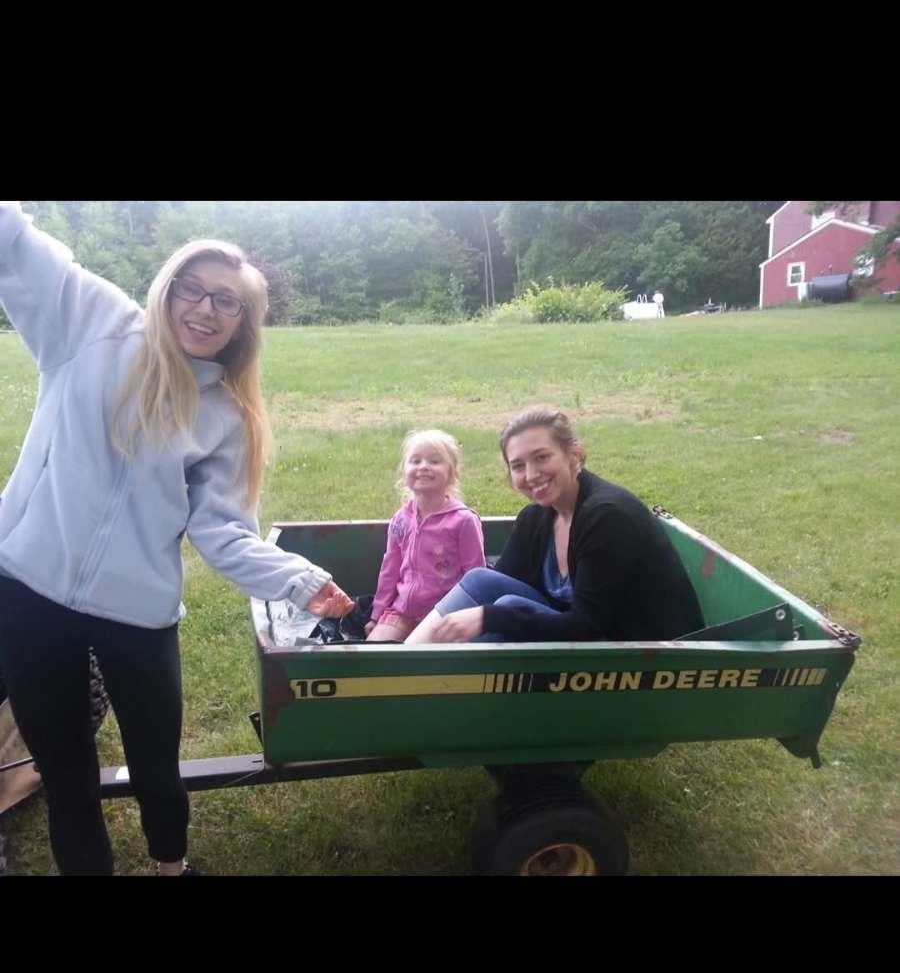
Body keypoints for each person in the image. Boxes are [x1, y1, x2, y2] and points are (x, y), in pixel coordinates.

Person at [0, 201, 353, 878]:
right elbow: (17, 243)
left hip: (138, 611)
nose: (204, 309)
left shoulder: (225, 414)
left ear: (244, 324)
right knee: (67, 773)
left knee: (156, 763)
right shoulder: (89, 321)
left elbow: (222, 533)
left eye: (227, 301)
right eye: (192, 288)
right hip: (28, 594)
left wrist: (302, 582)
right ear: (167, 287)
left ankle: (172, 866)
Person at [404, 405, 704, 645]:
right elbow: (492, 591)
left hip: (642, 656)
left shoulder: (608, 517)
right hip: (582, 642)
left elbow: (586, 627)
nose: (531, 474)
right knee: (482, 580)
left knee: (505, 610)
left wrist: (490, 618)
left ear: (573, 454)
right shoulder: (537, 518)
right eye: (518, 465)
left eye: (542, 457)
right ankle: (401, 668)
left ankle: (449, 697)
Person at [365, 429, 485, 642]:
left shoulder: (463, 520)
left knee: (419, 663)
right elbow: (390, 569)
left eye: (435, 461)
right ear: (404, 471)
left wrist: (471, 619)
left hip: (444, 613)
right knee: (374, 655)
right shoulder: (401, 519)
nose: (423, 467)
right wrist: (377, 614)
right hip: (402, 610)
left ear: (452, 472)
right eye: (415, 461)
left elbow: (475, 575)